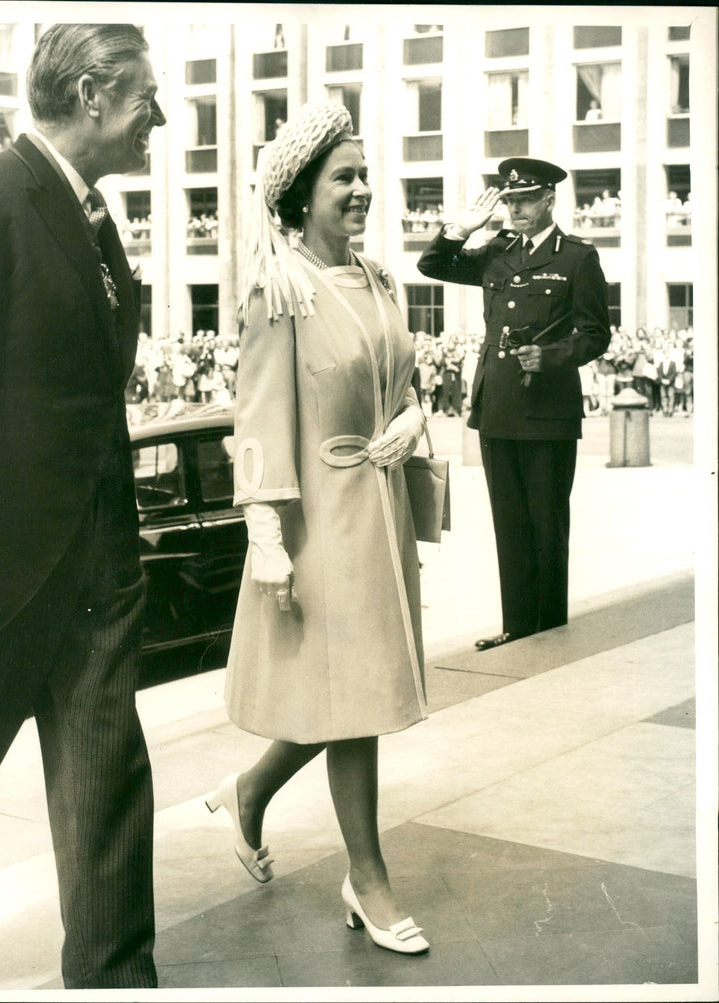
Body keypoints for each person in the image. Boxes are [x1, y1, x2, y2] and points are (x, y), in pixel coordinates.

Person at [0, 23, 166, 989]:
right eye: (148, 95)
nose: (160, 115)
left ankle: (114, 981)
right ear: (92, 98)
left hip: (97, 567)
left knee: (108, 792)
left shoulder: (93, 217)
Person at [205, 102, 429, 955]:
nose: (364, 190)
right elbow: (257, 415)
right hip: (318, 527)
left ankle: (250, 791)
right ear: (300, 196)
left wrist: (410, 417)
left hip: (378, 512)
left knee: (351, 693)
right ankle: (366, 878)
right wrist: (264, 532)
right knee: (357, 700)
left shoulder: (377, 281)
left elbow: (398, 378)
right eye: (346, 177)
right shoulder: (278, 291)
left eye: (366, 174)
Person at [417, 157, 610, 650]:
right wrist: (460, 228)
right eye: (510, 201)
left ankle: (549, 628)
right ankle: (519, 627)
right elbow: (432, 264)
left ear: (550, 199)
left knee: (547, 524)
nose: (517, 210)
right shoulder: (497, 253)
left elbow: (595, 336)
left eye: (526, 200)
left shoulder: (577, 258)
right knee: (509, 522)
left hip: (547, 410)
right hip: (498, 405)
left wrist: (549, 357)